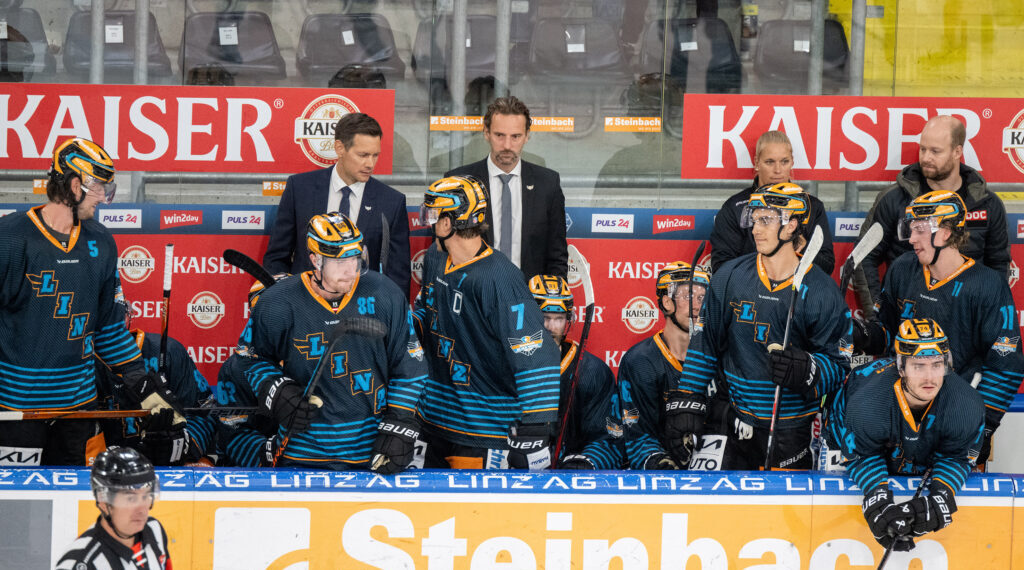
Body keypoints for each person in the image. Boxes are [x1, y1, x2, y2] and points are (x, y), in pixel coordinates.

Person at [0, 137, 182, 467]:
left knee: (75, 507)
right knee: (15, 513)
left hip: (80, 410)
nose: (104, 199)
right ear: (73, 183)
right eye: (99, 187)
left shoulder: (101, 241)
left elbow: (109, 328)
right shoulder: (9, 238)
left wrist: (143, 383)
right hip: (17, 413)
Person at [672, 183, 852, 470]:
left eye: (766, 219)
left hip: (793, 429)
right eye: (754, 219)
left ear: (792, 224)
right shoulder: (730, 276)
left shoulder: (822, 292)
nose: (755, 229)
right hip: (734, 421)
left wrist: (808, 368)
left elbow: (840, 365)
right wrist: (688, 398)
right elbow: (705, 343)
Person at [238, 212, 427, 472]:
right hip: (300, 451)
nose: (352, 271)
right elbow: (250, 357)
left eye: (355, 259)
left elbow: (410, 366)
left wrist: (400, 424)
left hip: (371, 452)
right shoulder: (278, 302)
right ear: (315, 260)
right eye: (340, 262)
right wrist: (276, 390)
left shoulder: (385, 294)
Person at [853, 190, 1024, 467]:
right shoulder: (902, 269)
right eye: (910, 229)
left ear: (945, 232)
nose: (911, 239)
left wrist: (981, 425)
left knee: (951, 503)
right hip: (900, 418)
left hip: (955, 421)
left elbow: (1006, 365)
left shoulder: (988, 285)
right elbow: (888, 336)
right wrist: (862, 334)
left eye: (919, 230)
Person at [413, 175, 561, 470]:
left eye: (432, 215)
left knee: (472, 514)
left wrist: (536, 426)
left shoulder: (500, 278)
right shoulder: (435, 258)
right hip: (433, 419)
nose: (428, 223)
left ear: (447, 223)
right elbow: (427, 314)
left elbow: (532, 350)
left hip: (482, 430)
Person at [828, 318, 983, 553]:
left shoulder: (966, 405)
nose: (930, 377)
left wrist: (940, 495)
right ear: (901, 367)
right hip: (845, 435)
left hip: (913, 445)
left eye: (937, 364)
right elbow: (862, 455)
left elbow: (956, 457)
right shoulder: (867, 403)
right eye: (918, 366)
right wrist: (878, 499)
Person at [854, 115, 1010, 315]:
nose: (926, 157)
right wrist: (878, 314)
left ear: (957, 152)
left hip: (966, 317)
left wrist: (988, 312)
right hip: (907, 316)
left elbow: (998, 264)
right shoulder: (894, 199)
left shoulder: (988, 204)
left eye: (935, 151)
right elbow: (863, 256)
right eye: (923, 149)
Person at [264, 112, 412, 297]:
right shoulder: (300, 189)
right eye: (363, 155)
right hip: (305, 306)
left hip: (362, 312)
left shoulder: (391, 202)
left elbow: (398, 275)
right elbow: (277, 257)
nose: (370, 164)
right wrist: (282, 300)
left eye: (375, 155)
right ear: (340, 148)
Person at [445, 95, 568, 280]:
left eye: (516, 136)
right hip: (473, 300)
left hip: (529, 299)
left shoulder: (547, 184)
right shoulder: (457, 183)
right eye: (499, 135)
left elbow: (556, 257)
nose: (507, 145)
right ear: (486, 133)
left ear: (527, 136)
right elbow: (443, 252)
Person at [617, 262, 709, 470]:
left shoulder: (716, 357)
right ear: (667, 302)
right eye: (688, 296)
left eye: (702, 297)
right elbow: (638, 434)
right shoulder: (641, 361)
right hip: (661, 477)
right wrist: (660, 463)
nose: (697, 305)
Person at [527, 274, 623, 470]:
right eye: (544, 318)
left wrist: (583, 463)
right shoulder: (508, 366)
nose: (551, 328)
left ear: (568, 320)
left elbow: (610, 438)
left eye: (559, 319)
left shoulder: (592, 371)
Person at [709, 130, 835, 274]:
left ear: (792, 162)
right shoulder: (734, 208)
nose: (778, 170)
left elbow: (827, 267)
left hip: (798, 294)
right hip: (748, 293)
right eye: (770, 162)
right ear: (756, 163)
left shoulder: (812, 207)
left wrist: (804, 248)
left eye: (784, 162)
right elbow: (721, 268)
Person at [95, 322, 218, 467]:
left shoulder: (168, 351)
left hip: (170, 463)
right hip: (105, 465)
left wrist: (184, 446)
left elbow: (205, 410)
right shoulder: (78, 362)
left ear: (129, 315)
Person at [55, 446, 172, 569]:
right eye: (130, 499)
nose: (142, 510)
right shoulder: (79, 562)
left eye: (146, 496)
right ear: (104, 502)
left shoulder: (153, 528)